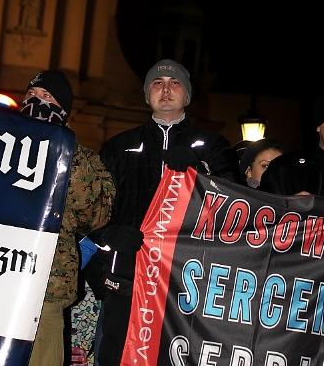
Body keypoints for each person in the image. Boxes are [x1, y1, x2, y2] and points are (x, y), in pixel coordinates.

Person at [92, 59, 239, 366]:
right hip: (128, 275)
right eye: (157, 83)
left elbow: (236, 206)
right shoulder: (120, 146)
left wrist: (200, 170)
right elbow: (93, 208)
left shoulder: (213, 145)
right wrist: (110, 235)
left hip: (189, 281)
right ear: (147, 95)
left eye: (175, 83)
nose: (166, 89)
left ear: (187, 95)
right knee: (117, 354)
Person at [22, 70, 115, 366]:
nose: (36, 102)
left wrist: (64, 153)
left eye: (46, 97)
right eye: (31, 95)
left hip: (47, 290)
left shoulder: (83, 159)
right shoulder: (1, 145)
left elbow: (96, 216)